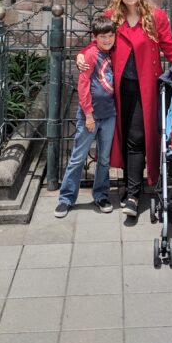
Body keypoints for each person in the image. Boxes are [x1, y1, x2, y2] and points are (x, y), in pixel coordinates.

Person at [77, 0, 172, 218]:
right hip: (116, 90)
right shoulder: (111, 17)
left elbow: (170, 48)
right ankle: (131, 184)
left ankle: (132, 195)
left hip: (145, 88)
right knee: (126, 135)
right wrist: (83, 53)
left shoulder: (155, 17)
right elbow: (98, 43)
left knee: (136, 139)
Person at [54, 16, 117, 218]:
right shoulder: (90, 55)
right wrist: (88, 114)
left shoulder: (114, 53)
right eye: (103, 37)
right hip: (91, 116)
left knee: (104, 159)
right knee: (78, 157)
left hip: (109, 115)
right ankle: (66, 198)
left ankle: (100, 195)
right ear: (95, 38)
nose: (107, 40)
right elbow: (83, 86)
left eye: (110, 36)